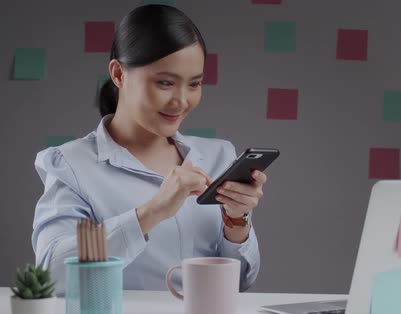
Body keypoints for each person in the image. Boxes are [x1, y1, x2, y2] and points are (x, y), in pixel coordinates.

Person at [32, 4, 265, 295]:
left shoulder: (219, 157)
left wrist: (236, 221)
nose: (181, 101)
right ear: (119, 74)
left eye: (194, 84)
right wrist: (150, 213)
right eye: (165, 83)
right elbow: (51, 274)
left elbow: (239, 283)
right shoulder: (71, 163)